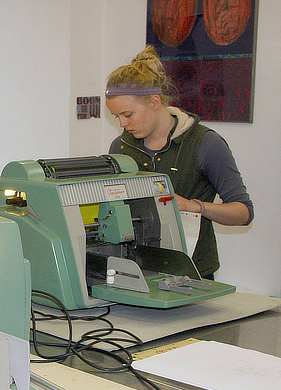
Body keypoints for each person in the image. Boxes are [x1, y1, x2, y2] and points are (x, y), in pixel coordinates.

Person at [105, 46, 254, 279]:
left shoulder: (205, 144)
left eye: (128, 114)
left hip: (191, 273)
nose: (123, 124)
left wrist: (195, 206)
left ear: (154, 101)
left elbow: (243, 213)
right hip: (135, 269)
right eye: (117, 117)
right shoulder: (120, 147)